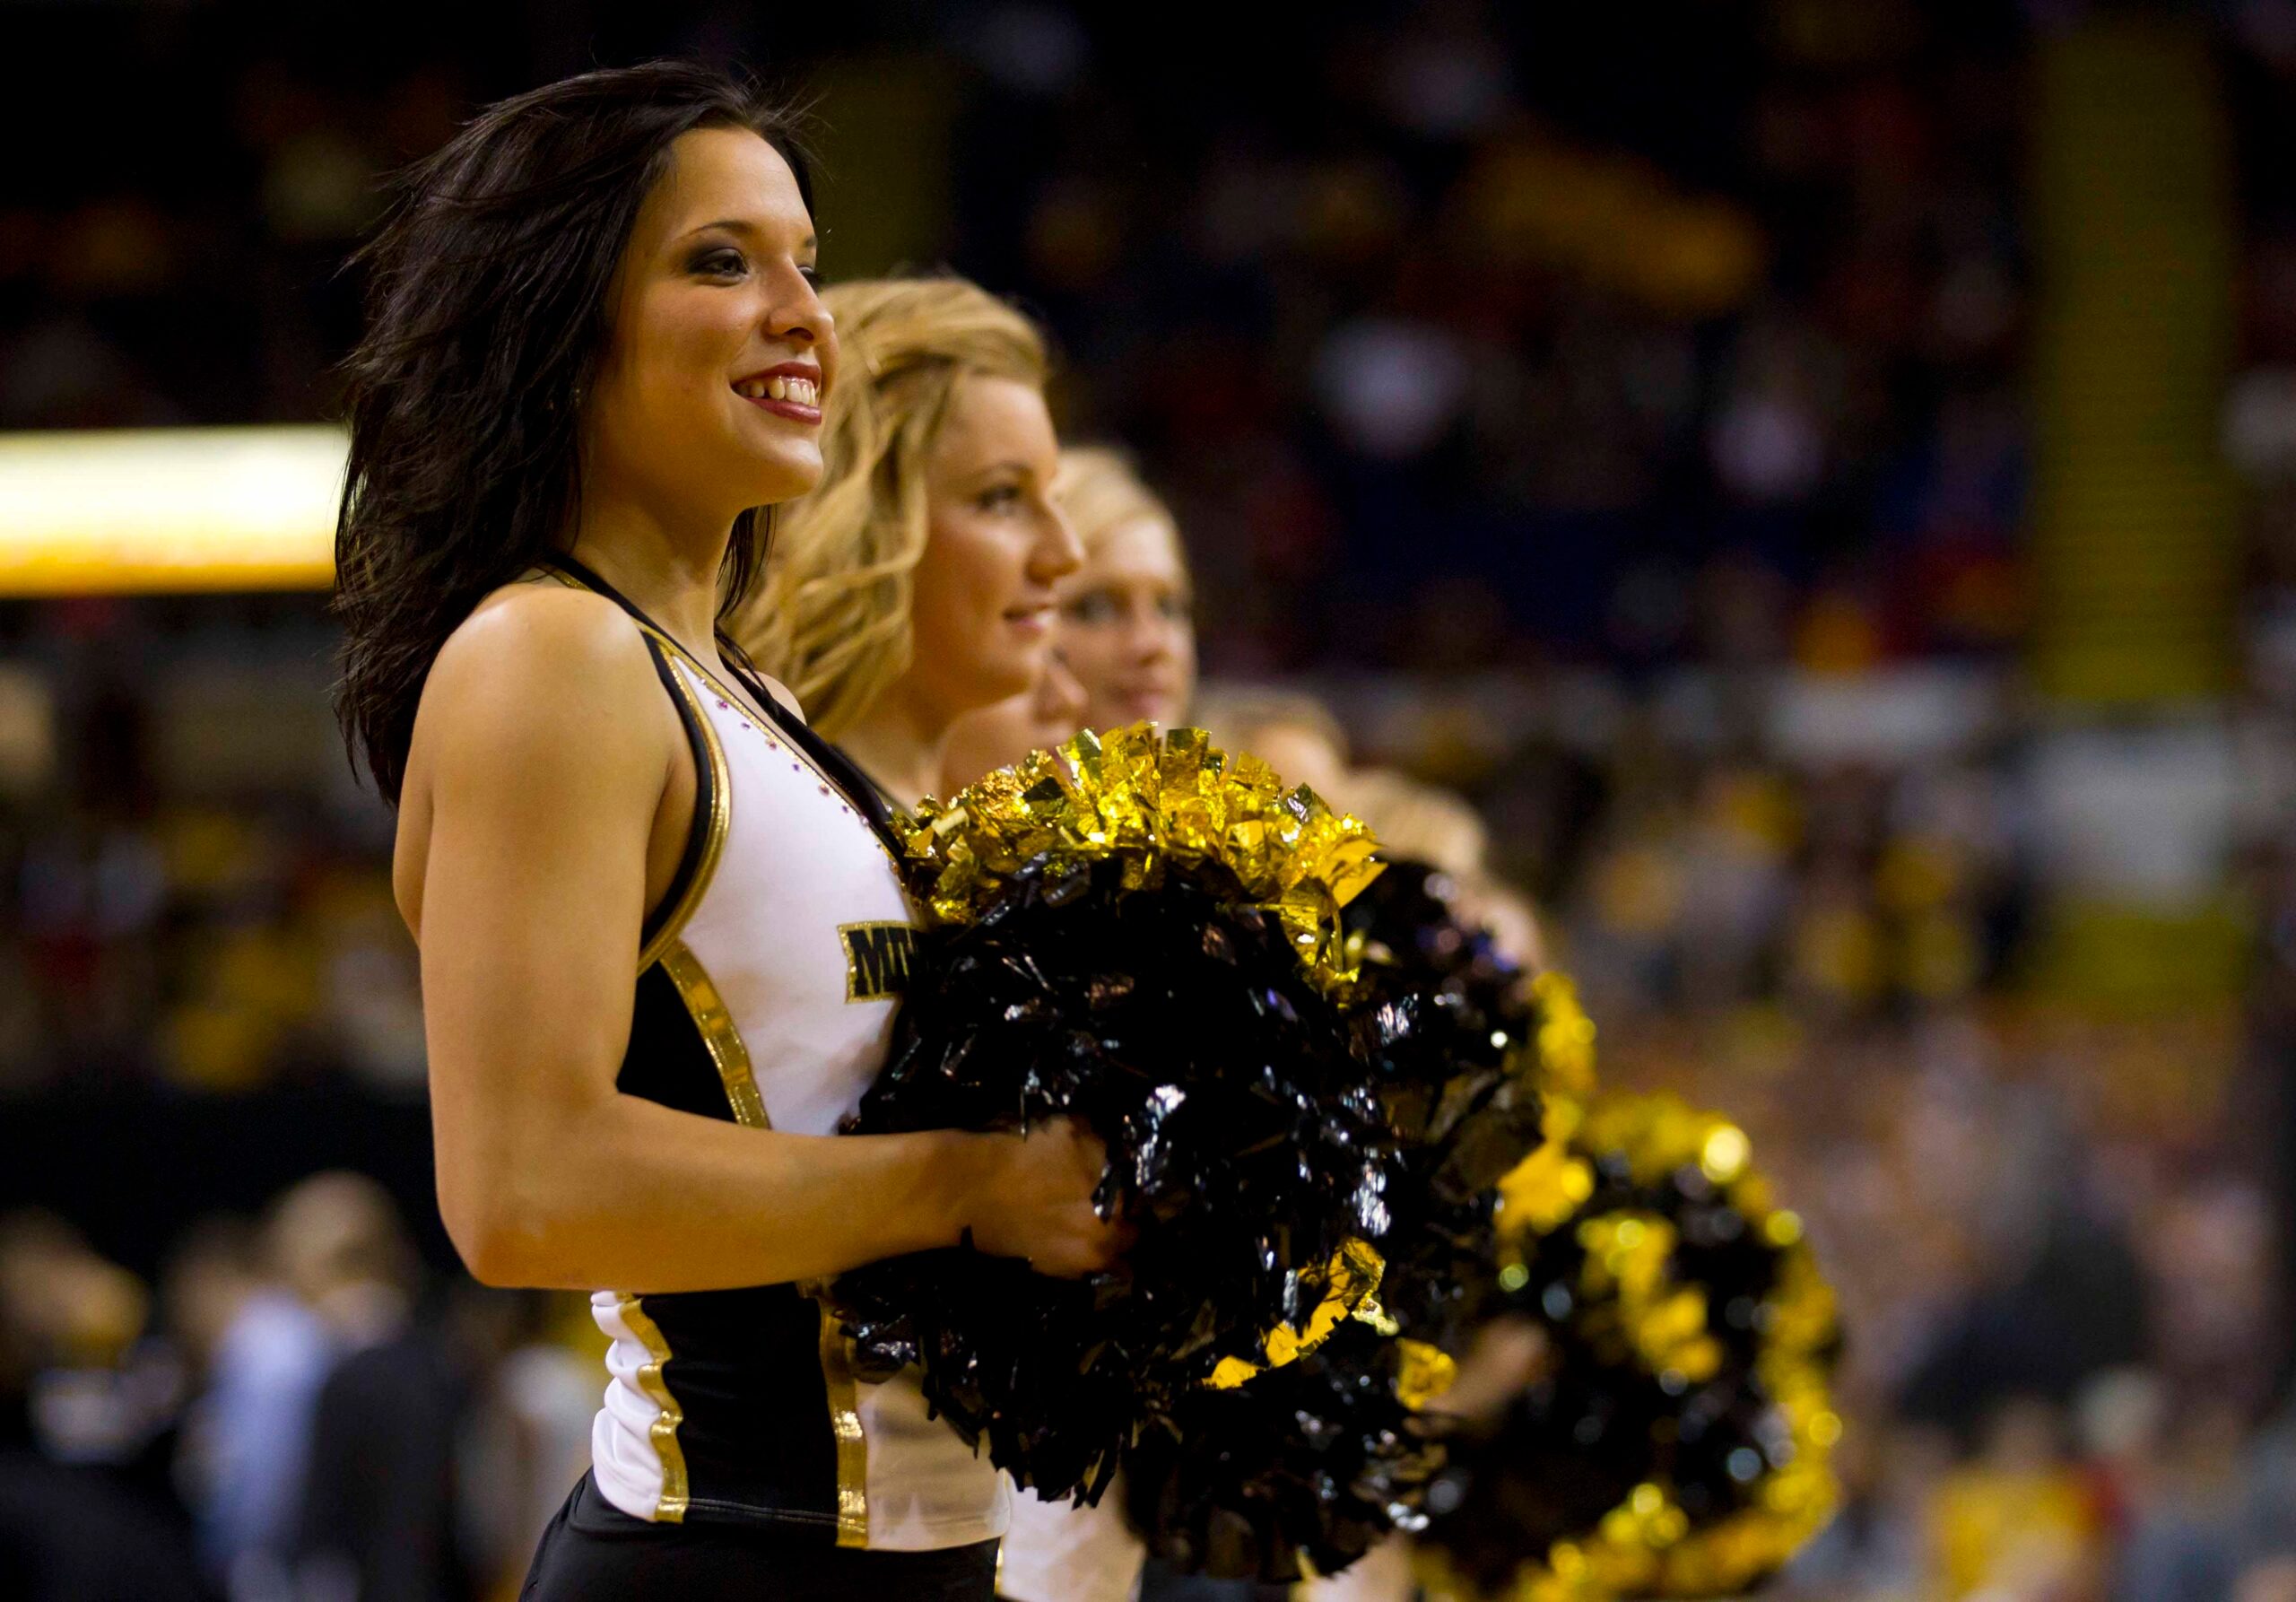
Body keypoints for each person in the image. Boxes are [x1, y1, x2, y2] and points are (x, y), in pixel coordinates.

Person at [333, 64, 1117, 1602]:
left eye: (807, 264)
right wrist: (966, 1181)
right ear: (560, 326)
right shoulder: (549, 659)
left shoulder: (737, 688)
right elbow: (522, 1185)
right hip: (729, 1557)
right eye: (720, 260)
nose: (804, 314)